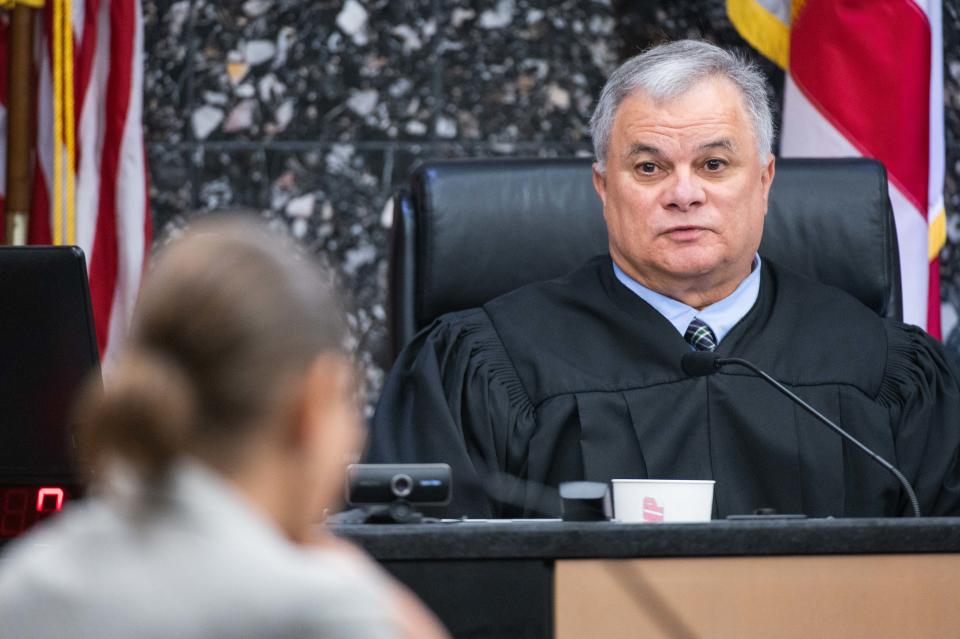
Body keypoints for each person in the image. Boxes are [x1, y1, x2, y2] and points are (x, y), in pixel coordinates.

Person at [367, 40, 960, 519]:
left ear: (765, 179)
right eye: (649, 167)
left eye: (714, 164)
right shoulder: (486, 365)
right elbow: (427, 575)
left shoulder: (884, 370)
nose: (684, 194)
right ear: (603, 188)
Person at [0, 219, 448, 639]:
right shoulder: (320, 607)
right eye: (347, 402)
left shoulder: (23, 585)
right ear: (312, 401)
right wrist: (353, 573)